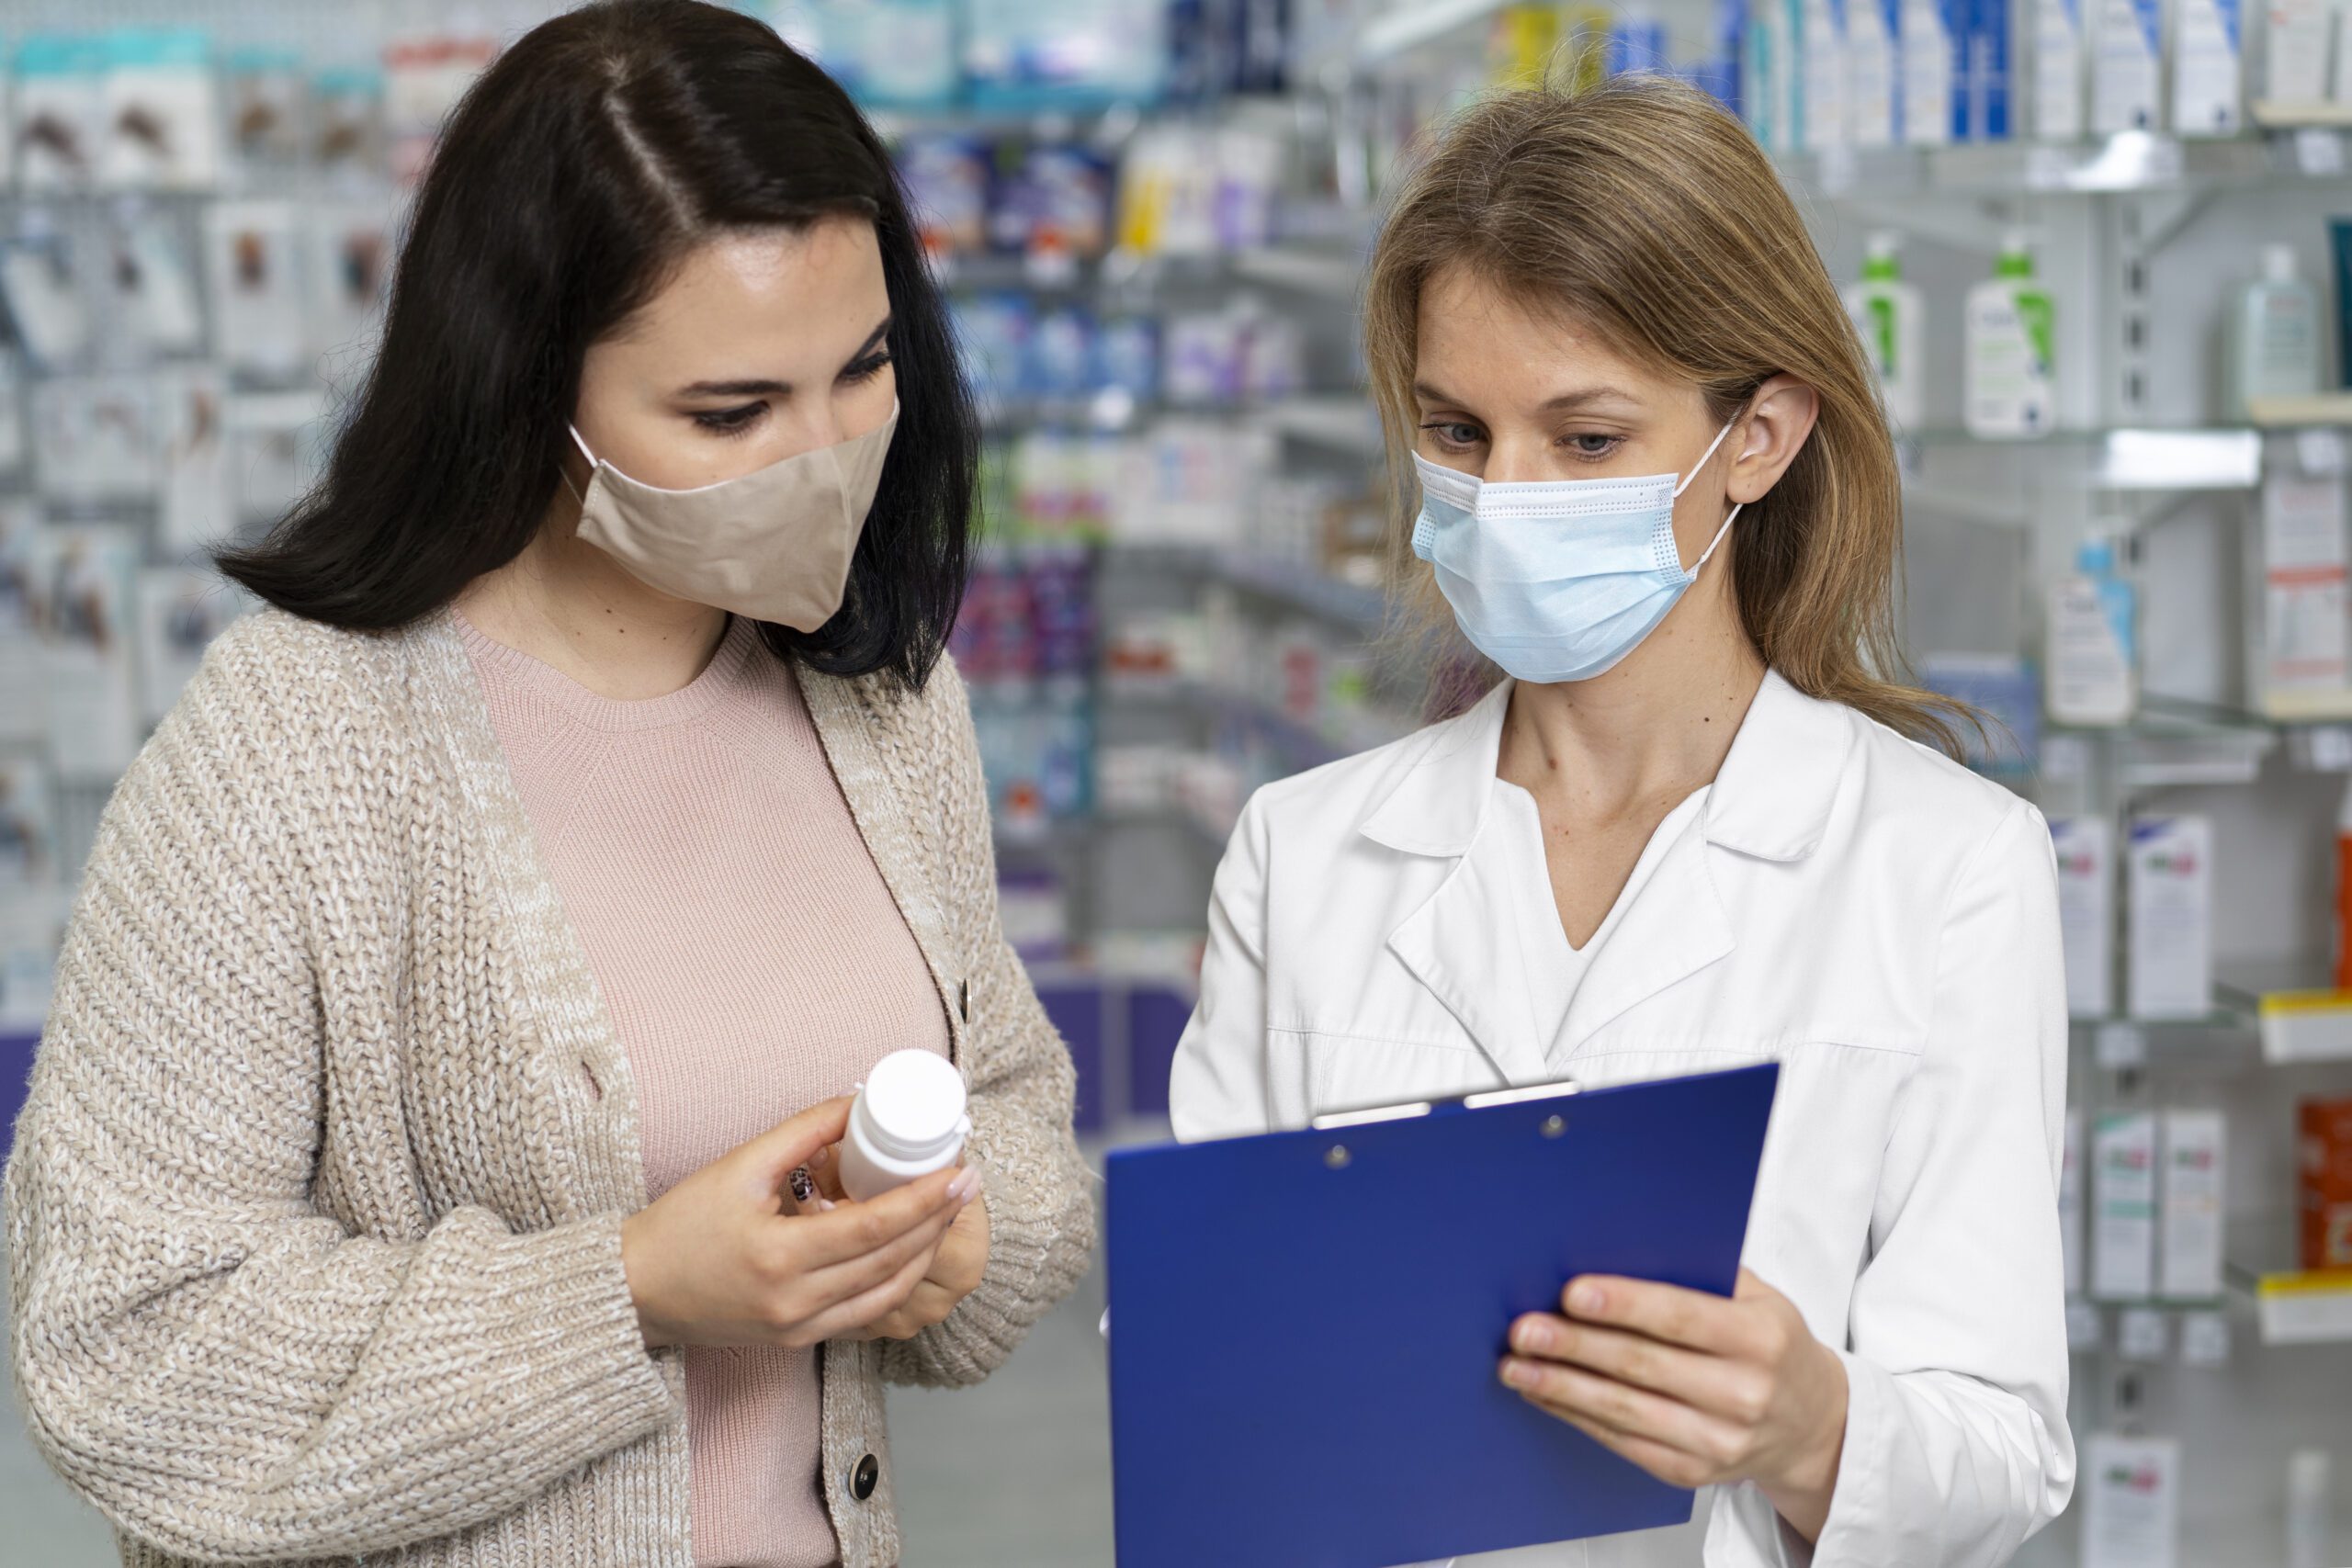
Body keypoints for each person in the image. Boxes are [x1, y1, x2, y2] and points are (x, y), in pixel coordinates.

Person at [3, 6, 1092, 1568]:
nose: (827, 458)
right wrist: (635, 1289)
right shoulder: (288, 756)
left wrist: (957, 1237)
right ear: (528, 389)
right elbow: (125, 1353)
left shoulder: (888, 706)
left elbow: (1015, 1113)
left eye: (861, 373)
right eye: (731, 413)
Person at [1170, 75, 2072, 1567]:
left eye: (1584, 441)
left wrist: (1811, 1425)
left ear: (1760, 436)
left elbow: (2002, 1442)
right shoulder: (1304, 851)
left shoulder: (1947, 867)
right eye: (1458, 431)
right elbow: (1198, 1336)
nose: (1504, 496)